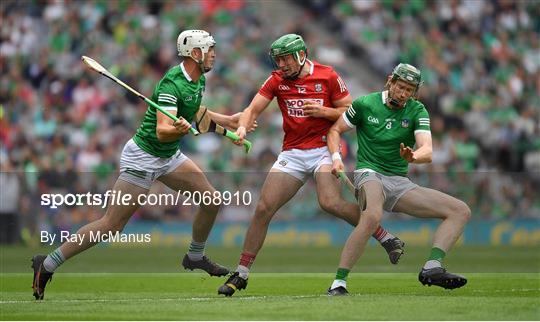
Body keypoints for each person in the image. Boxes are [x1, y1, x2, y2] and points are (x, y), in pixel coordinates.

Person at [31, 30, 245, 300]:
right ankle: (47, 264)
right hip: (143, 157)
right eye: (209, 49)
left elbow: (196, 113)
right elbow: (162, 131)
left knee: (211, 200)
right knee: (111, 225)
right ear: (195, 54)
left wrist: (229, 121)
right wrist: (179, 129)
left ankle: (195, 256)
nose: (214, 53)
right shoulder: (172, 84)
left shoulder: (198, 79)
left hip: (169, 157)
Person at [217, 34, 405, 297]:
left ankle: (384, 236)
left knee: (330, 203)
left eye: (286, 58)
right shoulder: (276, 79)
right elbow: (252, 109)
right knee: (263, 208)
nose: (281, 64)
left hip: (324, 149)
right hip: (293, 152)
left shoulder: (327, 76)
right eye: (278, 59)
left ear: (301, 55)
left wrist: (323, 112)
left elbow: (353, 112)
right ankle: (242, 273)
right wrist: (241, 128)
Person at [325, 63, 471, 296]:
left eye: (409, 90)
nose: (404, 94)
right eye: (401, 87)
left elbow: (428, 150)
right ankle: (338, 283)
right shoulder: (365, 104)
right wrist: (336, 157)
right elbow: (334, 131)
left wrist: (413, 156)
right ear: (390, 82)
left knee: (460, 210)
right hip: (368, 173)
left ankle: (432, 267)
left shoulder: (417, 110)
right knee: (372, 215)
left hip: (399, 181)